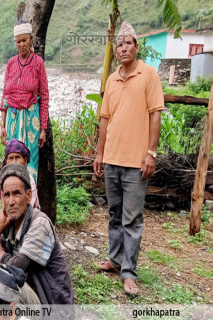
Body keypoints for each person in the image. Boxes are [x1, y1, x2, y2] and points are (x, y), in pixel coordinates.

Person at [93, 21, 164, 297]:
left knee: (132, 218)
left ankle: (129, 273)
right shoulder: (111, 80)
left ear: (137, 46)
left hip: (137, 162)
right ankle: (114, 258)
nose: (123, 48)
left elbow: (155, 114)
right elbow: (105, 119)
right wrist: (99, 153)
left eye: (128, 43)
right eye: (119, 43)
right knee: (114, 213)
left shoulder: (149, 75)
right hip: (111, 159)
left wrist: (151, 153)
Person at [0, 163, 73, 309]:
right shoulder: (9, 222)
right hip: (30, 297)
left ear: (28, 196)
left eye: (16, 193)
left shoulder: (40, 224)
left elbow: (16, 267)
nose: (11, 201)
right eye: (6, 195)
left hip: (52, 308)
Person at [0, 20, 49, 182]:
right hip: (12, 120)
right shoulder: (11, 63)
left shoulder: (38, 63)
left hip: (31, 120)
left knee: (30, 161)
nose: (21, 44)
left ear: (30, 39)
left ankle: (30, 199)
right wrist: (2, 125)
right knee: (12, 159)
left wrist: (43, 129)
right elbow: (5, 95)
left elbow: (44, 95)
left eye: (24, 40)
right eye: (18, 41)